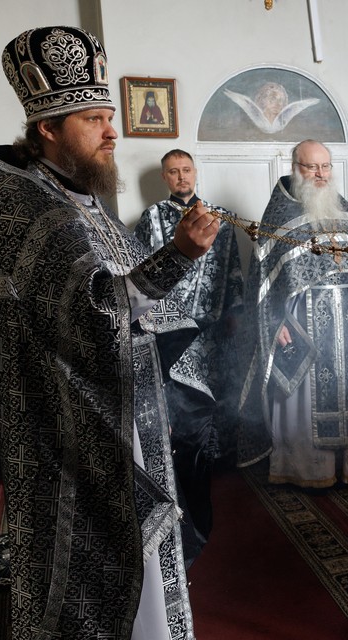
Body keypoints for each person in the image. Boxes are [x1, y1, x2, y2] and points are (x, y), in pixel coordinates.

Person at [0, 26, 217, 640]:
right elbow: (96, 310)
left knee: (144, 563)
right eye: (94, 119)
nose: (113, 132)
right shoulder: (37, 209)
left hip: (124, 415)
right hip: (78, 432)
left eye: (111, 117)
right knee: (106, 566)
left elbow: (128, 298)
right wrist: (178, 256)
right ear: (48, 129)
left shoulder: (79, 199)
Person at [134, 149, 255, 565]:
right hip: (173, 326)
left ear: (195, 172)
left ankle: (218, 458)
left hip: (213, 323)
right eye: (173, 171)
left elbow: (233, 266)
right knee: (183, 399)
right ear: (165, 177)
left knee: (217, 389)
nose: (181, 177)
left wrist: (235, 310)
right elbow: (144, 266)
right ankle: (184, 465)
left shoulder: (219, 217)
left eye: (186, 170)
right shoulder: (151, 218)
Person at [241, 139, 348, 488]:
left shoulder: (342, 208)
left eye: (325, 166)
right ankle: (307, 470)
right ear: (295, 168)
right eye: (311, 166)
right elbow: (264, 281)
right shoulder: (280, 214)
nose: (320, 174)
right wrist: (276, 322)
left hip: (346, 315)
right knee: (302, 397)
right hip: (301, 319)